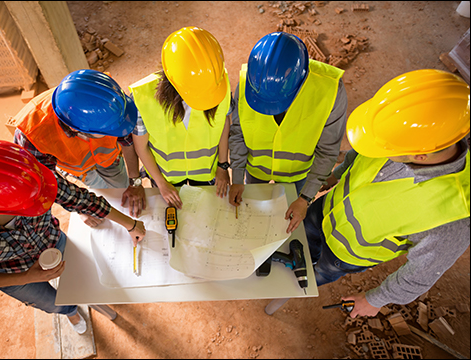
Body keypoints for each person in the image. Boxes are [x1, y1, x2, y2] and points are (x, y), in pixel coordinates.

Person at [0, 140, 146, 334]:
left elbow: (80, 199)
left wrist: (131, 224)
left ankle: (91, 298)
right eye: (32, 204)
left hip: (53, 242)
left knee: (87, 278)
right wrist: (27, 277)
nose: (42, 201)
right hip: (13, 274)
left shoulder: (30, 177)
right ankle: (71, 313)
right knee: (54, 303)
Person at [303, 69, 470, 318]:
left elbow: (420, 275)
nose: (378, 147)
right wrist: (338, 174)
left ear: (420, 155)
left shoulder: (453, 219)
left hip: (345, 253)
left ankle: (300, 283)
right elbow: (363, 152)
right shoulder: (408, 118)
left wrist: (375, 299)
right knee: (300, 235)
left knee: (315, 274)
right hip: (326, 209)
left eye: (385, 147)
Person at [228, 32, 348, 233]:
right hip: (256, 170)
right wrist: (238, 177)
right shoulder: (250, 83)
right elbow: (238, 131)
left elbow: (327, 151)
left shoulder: (330, 92)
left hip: (298, 174)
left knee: (286, 226)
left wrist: (305, 198)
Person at [13, 69, 147, 226]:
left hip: (111, 158)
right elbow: (50, 183)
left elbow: (126, 138)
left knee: (120, 193)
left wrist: (135, 182)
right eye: (107, 131)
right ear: (78, 129)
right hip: (81, 170)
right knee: (101, 193)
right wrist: (82, 209)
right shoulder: (32, 132)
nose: (114, 133)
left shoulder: (107, 96)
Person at [129, 26, 233, 209]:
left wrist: (223, 166)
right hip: (166, 178)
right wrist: (161, 183)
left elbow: (223, 123)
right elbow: (141, 147)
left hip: (206, 173)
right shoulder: (143, 98)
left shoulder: (218, 84)